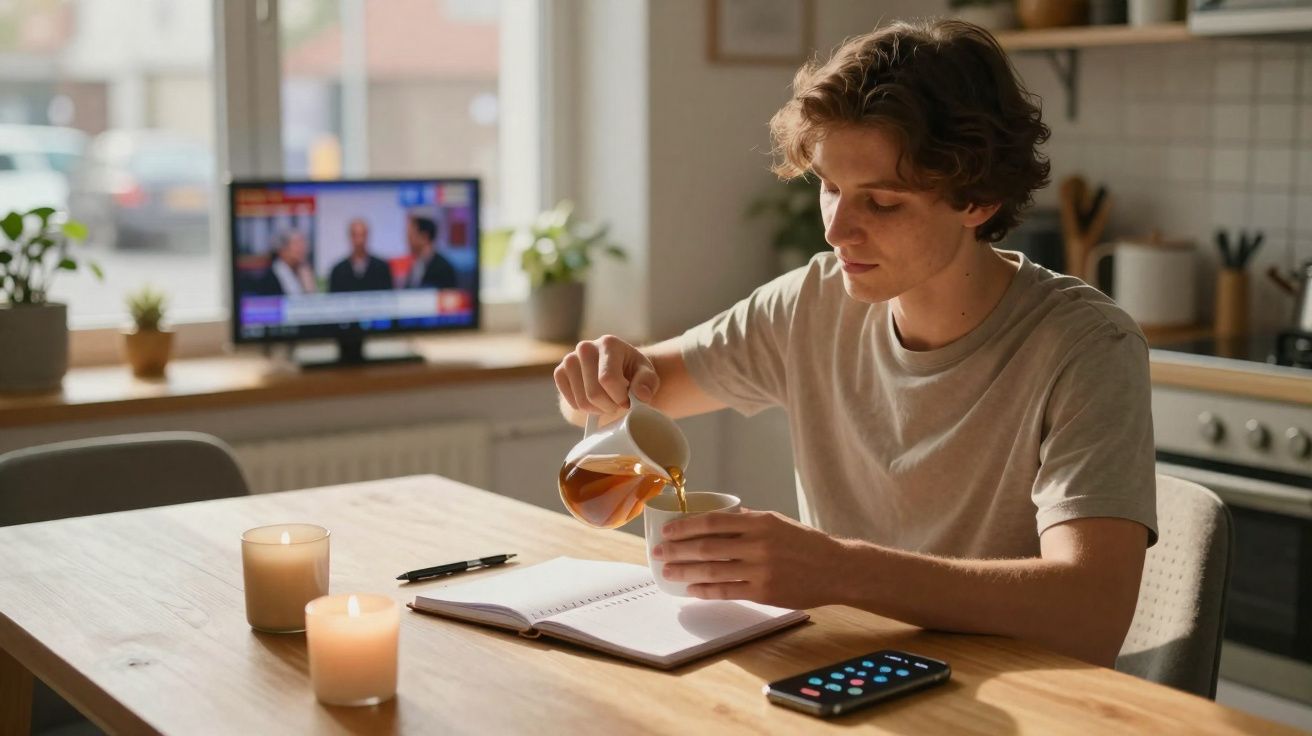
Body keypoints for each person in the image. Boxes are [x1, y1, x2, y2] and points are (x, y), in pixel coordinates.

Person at [552, 19, 1156, 669]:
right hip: (848, 677)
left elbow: (1091, 616)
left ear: (976, 199)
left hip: (1019, 698)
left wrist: (842, 572)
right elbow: (628, 398)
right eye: (830, 188)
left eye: (883, 202)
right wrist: (601, 379)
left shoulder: (1087, 346)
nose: (838, 230)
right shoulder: (809, 305)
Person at [328, 218, 393, 292]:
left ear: (367, 236)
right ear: (350, 237)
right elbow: (333, 300)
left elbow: (389, 297)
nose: (359, 241)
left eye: (362, 235)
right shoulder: (338, 271)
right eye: (355, 235)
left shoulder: (382, 268)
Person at [250, 229, 318, 296]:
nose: (303, 249)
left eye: (303, 244)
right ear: (282, 250)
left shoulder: (304, 272)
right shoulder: (269, 278)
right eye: (297, 244)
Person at [399, 214, 457, 289]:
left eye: (410, 236)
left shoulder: (444, 268)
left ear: (424, 237)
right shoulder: (415, 265)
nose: (407, 241)